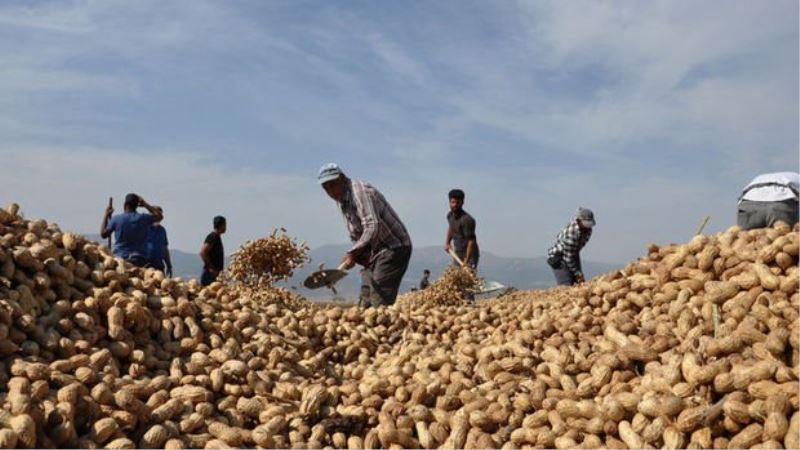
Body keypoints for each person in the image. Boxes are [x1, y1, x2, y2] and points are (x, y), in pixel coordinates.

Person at [318, 163, 412, 307]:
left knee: (378, 300)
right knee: (365, 300)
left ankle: (385, 327)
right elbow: (357, 232)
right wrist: (355, 256)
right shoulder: (342, 199)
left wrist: (353, 252)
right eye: (326, 188)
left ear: (342, 178)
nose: (330, 191)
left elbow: (372, 226)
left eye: (333, 185)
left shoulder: (359, 192)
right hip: (373, 252)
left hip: (393, 247)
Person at [100, 193, 164, 267]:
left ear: (125, 204)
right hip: (139, 260)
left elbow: (103, 234)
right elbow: (160, 216)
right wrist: (145, 204)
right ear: (137, 206)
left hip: (120, 259)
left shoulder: (116, 219)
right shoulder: (143, 218)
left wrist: (106, 215)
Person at [547, 207, 595, 286]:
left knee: (578, 282)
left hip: (573, 252)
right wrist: (577, 273)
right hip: (560, 257)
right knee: (566, 285)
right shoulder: (572, 233)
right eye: (586, 223)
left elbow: (574, 252)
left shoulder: (587, 229)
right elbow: (569, 258)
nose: (588, 227)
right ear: (579, 220)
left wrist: (578, 274)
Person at [444, 189, 479, 269]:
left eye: (458, 202)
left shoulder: (467, 220)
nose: (455, 205)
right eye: (453, 202)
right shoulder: (450, 216)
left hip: (470, 255)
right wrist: (447, 243)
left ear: (462, 202)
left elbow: (472, 241)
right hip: (457, 252)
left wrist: (467, 260)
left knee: (467, 278)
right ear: (449, 202)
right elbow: (451, 227)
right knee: (457, 276)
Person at [145, 207, 173, 277]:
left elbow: (165, 248)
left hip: (159, 265)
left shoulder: (162, 230)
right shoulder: (144, 228)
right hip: (145, 265)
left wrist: (169, 264)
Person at [200, 216, 226, 286]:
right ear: (221, 225)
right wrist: (211, 268)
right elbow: (203, 252)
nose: (226, 227)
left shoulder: (217, 237)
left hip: (215, 275)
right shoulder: (213, 236)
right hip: (209, 276)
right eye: (225, 225)